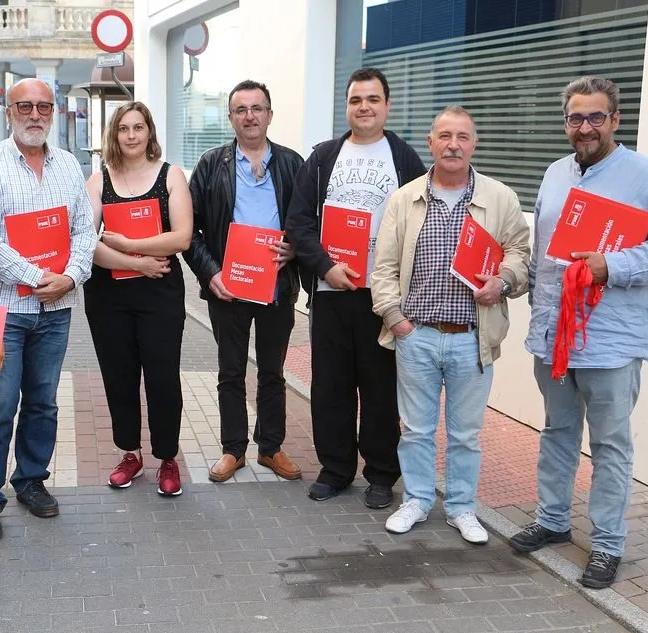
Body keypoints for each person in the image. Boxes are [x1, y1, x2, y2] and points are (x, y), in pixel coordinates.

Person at [508, 76, 648, 588]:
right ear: (565, 121)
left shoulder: (645, 178)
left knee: (610, 445)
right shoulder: (554, 175)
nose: (584, 127)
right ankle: (552, 520)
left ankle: (607, 544)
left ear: (614, 120)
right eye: (575, 117)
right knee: (557, 431)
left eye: (595, 117)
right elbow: (546, 256)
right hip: (555, 336)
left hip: (611, 340)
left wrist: (612, 265)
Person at [371, 106, 530, 543]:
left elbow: (520, 253)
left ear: (474, 144)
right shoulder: (404, 199)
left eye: (462, 136)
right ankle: (418, 500)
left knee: (466, 434)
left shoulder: (500, 198)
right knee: (416, 430)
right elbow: (382, 267)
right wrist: (394, 318)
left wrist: (504, 281)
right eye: (445, 136)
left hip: (471, 339)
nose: (453, 144)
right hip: (417, 335)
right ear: (431, 142)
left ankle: (462, 508)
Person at [286, 67, 427, 509]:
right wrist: (326, 268)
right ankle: (336, 469)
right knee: (331, 386)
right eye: (355, 100)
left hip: (381, 297)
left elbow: (421, 225)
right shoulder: (324, 157)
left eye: (372, 99)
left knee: (381, 387)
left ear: (386, 105)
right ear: (346, 106)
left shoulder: (404, 159)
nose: (363, 107)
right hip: (331, 295)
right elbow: (299, 223)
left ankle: (382, 474)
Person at [0, 78, 97, 540]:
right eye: (25, 106)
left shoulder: (68, 166)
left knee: (43, 402)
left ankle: (31, 481)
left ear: (55, 111)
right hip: (5, 310)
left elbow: (85, 230)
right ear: (9, 111)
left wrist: (70, 276)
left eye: (44, 106)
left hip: (56, 308)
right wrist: (36, 276)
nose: (35, 114)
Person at [184, 80, 305, 483]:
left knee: (273, 372)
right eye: (241, 109)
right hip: (229, 290)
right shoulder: (209, 165)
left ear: (270, 114)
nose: (250, 116)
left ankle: (270, 448)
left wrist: (296, 249)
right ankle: (233, 450)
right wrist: (210, 272)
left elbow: (310, 223)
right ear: (231, 117)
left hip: (276, 287)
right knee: (230, 373)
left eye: (257, 108)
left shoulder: (293, 164)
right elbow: (190, 231)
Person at [83, 102, 192, 496]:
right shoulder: (98, 182)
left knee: (163, 378)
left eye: (138, 127)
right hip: (108, 294)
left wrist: (130, 245)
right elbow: (85, 244)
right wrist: (140, 262)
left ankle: (167, 458)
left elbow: (180, 237)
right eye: (124, 128)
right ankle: (130, 454)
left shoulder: (171, 176)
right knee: (119, 376)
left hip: (159, 292)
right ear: (114, 134)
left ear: (150, 132)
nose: (131, 135)